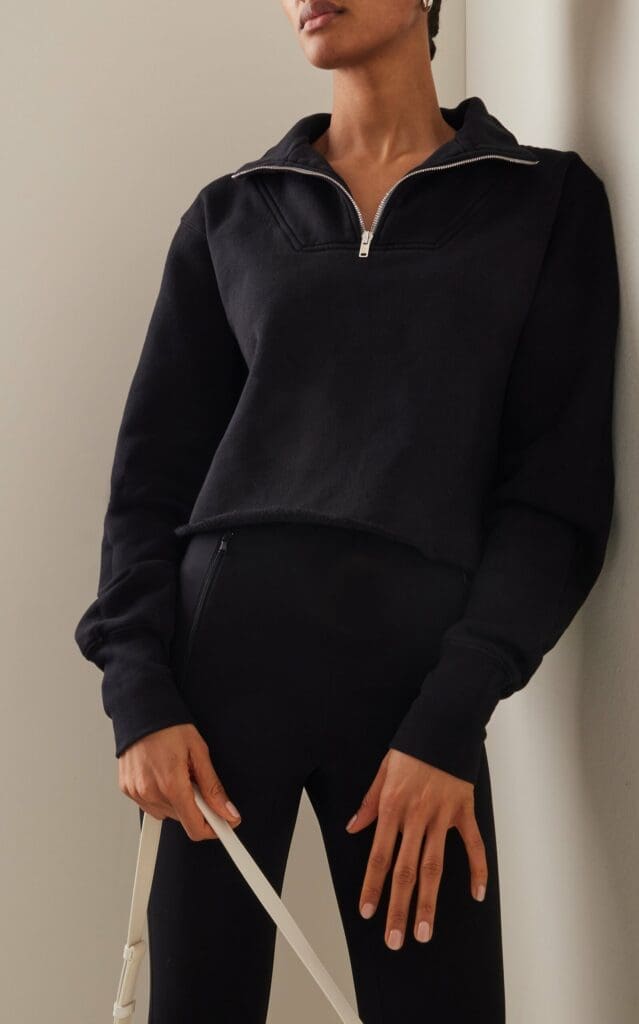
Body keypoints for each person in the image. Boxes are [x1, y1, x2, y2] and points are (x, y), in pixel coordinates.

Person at [74, 1, 620, 1021]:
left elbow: (555, 497)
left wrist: (453, 712)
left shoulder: (540, 201)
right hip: (216, 677)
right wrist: (138, 692)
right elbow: (148, 483)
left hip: (414, 684)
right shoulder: (232, 213)